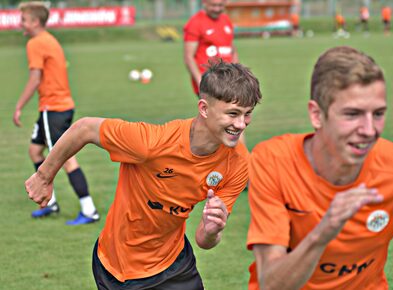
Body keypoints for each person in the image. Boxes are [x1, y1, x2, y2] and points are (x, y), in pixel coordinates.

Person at [26, 61, 262, 289]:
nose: (241, 124)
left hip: (175, 265)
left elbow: (204, 240)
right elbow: (85, 128)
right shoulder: (151, 143)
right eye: (233, 114)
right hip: (118, 269)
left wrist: (213, 230)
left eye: (247, 114)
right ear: (204, 108)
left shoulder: (238, 164)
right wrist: (44, 176)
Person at [247, 46, 393, 289]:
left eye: (378, 113)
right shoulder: (273, 161)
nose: (370, 130)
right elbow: (272, 284)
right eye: (352, 114)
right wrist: (323, 232)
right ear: (316, 115)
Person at [14, 1, 99, 225]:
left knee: (66, 159)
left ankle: (89, 209)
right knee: (35, 151)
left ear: (34, 22)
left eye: (23, 19)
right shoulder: (49, 39)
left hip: (54, 109)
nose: (20, 23)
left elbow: (35, 78)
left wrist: (19, 105)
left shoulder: (36, 43)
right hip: (54, 108)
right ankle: (49, 202)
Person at [183, 0, 238, 97]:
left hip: (228, 81)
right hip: (209, 82)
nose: (217, 9)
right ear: (204, 3)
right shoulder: (195, 22)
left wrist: (237, 74)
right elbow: (188, 57)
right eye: (213, 5)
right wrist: (200, 82)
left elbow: (232, 50)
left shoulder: (226, 20)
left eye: (220, 5)